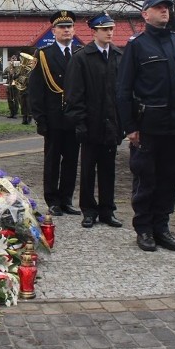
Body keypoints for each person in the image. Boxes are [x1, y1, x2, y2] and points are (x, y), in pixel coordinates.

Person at [117, 0, 175, 252]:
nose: (164, 12)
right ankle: (144, 229)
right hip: (148, 126)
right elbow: (123, 89)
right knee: (146, 179)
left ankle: (162, 227)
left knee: (170, 178)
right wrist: (129, 126)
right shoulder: (137, 45)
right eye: (158, 8)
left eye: (166, 8)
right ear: (145, 14)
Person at [65, 12, 123, 229]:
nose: (109, 33)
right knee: (89, 169)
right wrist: (79, 122)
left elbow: (122, 92)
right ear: (94, 31)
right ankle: (88, 210)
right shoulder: (82, 57)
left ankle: (108, 210)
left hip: (111, 124)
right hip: (90, 123)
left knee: (109, 169)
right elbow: (74, 94)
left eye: (111, 29)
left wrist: (122, 123)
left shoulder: (118, 55)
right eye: (105, 29)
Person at [28, 11, 82, 217]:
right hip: (53, 118)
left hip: (74, 117)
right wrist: (40, 118)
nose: (66, 30)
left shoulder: (80, 52)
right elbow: (36, 89)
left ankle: (67, 199)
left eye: (69, 26)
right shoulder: (43, 54)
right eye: (62, 27)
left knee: (71, 160)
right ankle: (52, 200)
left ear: (74, 30)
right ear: (54, 31)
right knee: (52, 161)